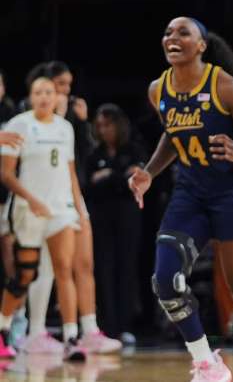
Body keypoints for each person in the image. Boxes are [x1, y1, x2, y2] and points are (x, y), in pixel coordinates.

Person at [127, 17, 233, 382]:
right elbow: (173, 135)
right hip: (191, 193)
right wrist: (149, 172)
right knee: (165, 280)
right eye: (168, 32)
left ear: (201, 45)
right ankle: (207, 364)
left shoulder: (225, 86)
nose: (173, 37)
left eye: (183, 32)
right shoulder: (158, 89)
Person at [32, 61, 121, 355]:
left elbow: (81, 161)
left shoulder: (69, 124)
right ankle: (33, 330)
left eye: (67, 85)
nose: (65, 91)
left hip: (72, 197)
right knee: (46, 270)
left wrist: (82, 123)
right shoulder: (28, 120)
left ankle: (88, 329)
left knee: (84, 264)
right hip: (41, 199)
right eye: (60, 85)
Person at [0, 77, 88, 359]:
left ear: (56, 96)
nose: (44, 97)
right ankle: (3, 328)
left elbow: (70, 172)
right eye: (38, 92)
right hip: (27, 209)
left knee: (65, 269)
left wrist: (79, 208)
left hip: (60, 209)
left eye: (49, 92)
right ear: (30, 96)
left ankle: (71, 337)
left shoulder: (65, 128)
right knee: (25, 274)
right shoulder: (19, 125)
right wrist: (32, 200)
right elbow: (6, 174)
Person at [83, 104, 144, 345]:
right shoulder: (93, 154)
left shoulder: (134, 149)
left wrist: (109, 176)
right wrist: (119, 177)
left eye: (108, 125)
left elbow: (134, 181)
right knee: (104, 269)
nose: (103, 130)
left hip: (128, 216)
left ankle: (126, 326)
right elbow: (89, 186)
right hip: (101, 217)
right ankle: (107, 327)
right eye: (99, 125)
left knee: (127, 268)